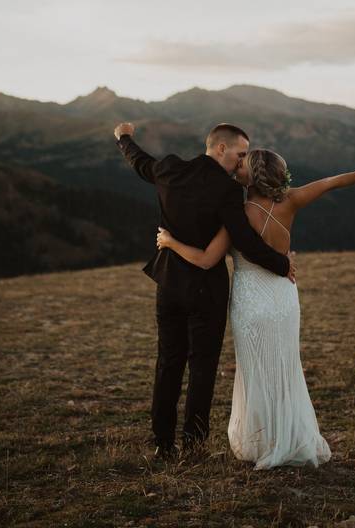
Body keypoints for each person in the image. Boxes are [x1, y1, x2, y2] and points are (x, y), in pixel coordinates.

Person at [156, 148, 355, 469]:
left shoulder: (235, 213)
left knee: (255, 373)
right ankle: (289, 437)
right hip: (283, 298)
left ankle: (261, 440)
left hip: (250, 303)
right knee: (286, 368)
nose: (238, 166)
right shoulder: (290, 200)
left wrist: (170, 242)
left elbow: (206, 260)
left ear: (251, 175)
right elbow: (332, 182)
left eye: (243, 165)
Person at [114, 122, 296, 459]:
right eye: (241, 154)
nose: (243, 163)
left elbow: (139, 162)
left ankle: (161, 443)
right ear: (221, 149)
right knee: (202, 366)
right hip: (206, 289)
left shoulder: (169, 169)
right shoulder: (227, 191)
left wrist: (124, 138)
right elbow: (245, 242)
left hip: (168, 283)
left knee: (168, 361)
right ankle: (194, 445)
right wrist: (282, 264)